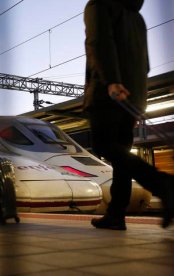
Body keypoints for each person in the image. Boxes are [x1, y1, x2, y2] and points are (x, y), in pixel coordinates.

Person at [84, 0, 174, 230]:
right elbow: (144, 62)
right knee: (120, 155)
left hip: (109, 90)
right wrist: (138, 98)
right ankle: (116, 214)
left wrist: (112, 80)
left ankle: (163, 185)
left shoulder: (100, 5)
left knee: (104, 145)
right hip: (133, 94)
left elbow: (99, 42)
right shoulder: (137, 16)